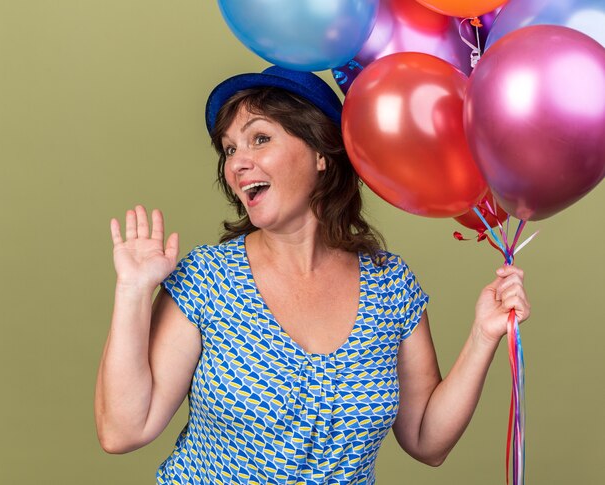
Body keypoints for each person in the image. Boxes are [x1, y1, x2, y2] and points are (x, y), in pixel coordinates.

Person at [94, 66, 530, 484]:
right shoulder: (207, 280)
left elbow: (426, 441)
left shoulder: (390, 286)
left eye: (259, 139)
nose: (237, 164)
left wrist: (482, 335)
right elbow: (123, 431)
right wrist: (133, 291)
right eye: (229, 149)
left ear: (321, 153)